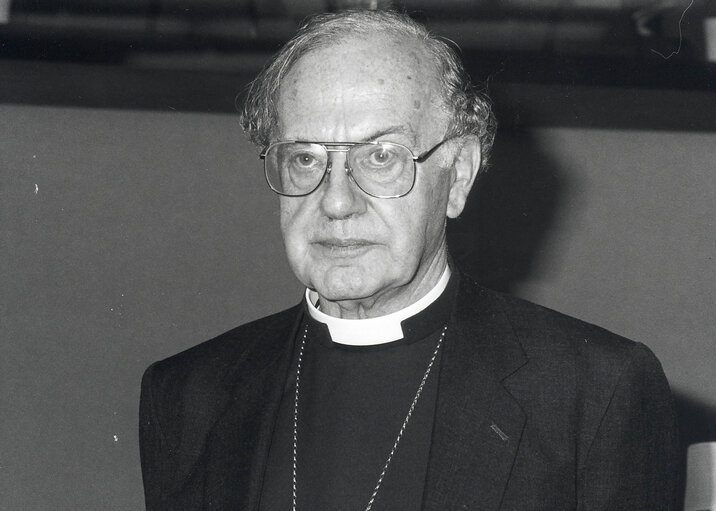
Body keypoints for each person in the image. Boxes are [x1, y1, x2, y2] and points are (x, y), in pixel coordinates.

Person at [139, 9, 679, 510]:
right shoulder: (190, 394)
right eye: (304, 158)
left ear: (458, 174)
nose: (336, 201)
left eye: (381, 157)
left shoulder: (594, 392)